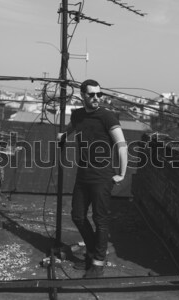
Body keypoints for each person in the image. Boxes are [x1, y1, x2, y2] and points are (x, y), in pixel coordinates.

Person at [58, 79, 128, 278]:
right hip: (84, 174)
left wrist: (122, 173)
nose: (96, 98)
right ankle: (91, 252)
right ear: (83, 95)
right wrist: (64, 135)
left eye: (99, 94)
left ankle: (98, 262)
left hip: (102, 176)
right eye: (92, 94)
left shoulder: (107, 117)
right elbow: (74, 126)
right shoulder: (79, 114)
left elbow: (122, 145)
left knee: (100, 220)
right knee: (78, 216)